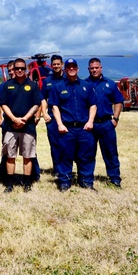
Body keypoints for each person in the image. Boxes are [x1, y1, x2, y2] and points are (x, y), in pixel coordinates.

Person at [0, 58, 43, 192]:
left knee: (27, 156)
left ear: (26, 69)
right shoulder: (6, 85)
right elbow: (3, 104)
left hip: (28, 127)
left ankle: (27, 184)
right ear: (13, 70)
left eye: (22, 68)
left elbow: (36, 104)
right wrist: (14, 119)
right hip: (10, 126)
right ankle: (9, 184)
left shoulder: (33, 86)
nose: (20, 70)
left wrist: (25, 119)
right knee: (10, 156)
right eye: (17, 69)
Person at [49, 59, 97, 190]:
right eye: (69, 67)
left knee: (86, 156)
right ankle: (65, 182)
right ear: (65, 69)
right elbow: (54, 106)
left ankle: (86, 181)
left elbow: (93, 105)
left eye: (73, 67)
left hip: (84, 128)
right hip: (67, 128)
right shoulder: (58, 87)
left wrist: (90, 122)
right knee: (65, 156)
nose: (71, 69)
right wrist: (59, 124)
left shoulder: (86, 86)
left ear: (78, 69)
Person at [86, 58, 125, 187]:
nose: (94, 70)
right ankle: (87, 179)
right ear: (88, 69)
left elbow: (118, 101)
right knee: (88, 153)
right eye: (92, 68)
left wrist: (115, 118)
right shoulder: (84, 84)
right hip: (90, 125)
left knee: (110, 152)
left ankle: (114, 178)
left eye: (96, 67)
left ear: (101, 68)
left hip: (106, 123)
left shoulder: (110, 84)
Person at [39, 55, 66, 191]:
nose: (56, 66)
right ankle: (57, 169)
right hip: (52, 118)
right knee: (55, 144)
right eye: (53, 64)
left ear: (62, 64)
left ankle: (68, 169)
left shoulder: (69, 79)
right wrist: (44, 113)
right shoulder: (48, 81)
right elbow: (42, 98)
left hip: (67, 117)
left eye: (58, 64)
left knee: (69, 144)